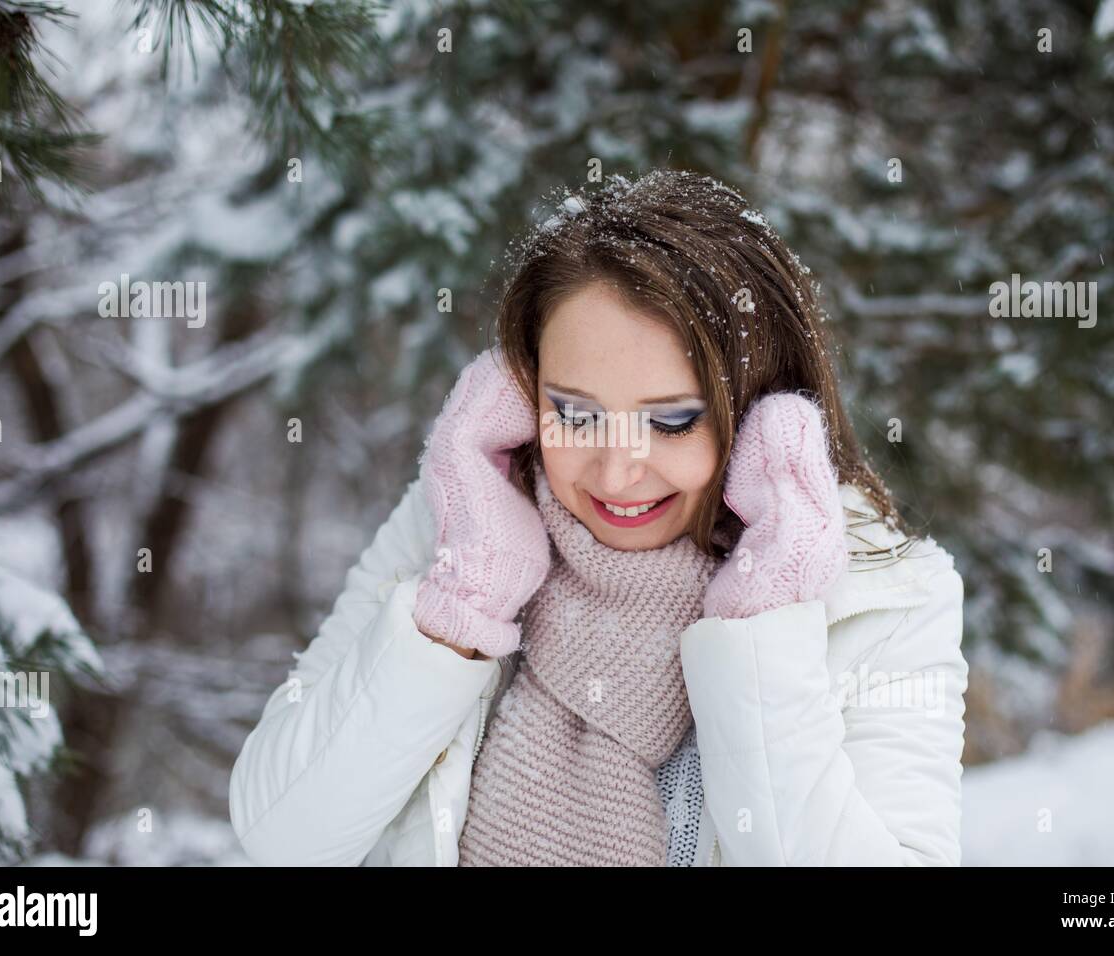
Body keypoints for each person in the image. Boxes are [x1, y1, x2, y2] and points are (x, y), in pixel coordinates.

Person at [229, 168, 968, 866]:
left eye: (673, 421)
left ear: (762, 415)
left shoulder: (888, 597)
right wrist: (462, 609)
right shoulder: (458, 529)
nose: (616, 473)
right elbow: (284, 838)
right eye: (575, 414)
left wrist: (763, 628)